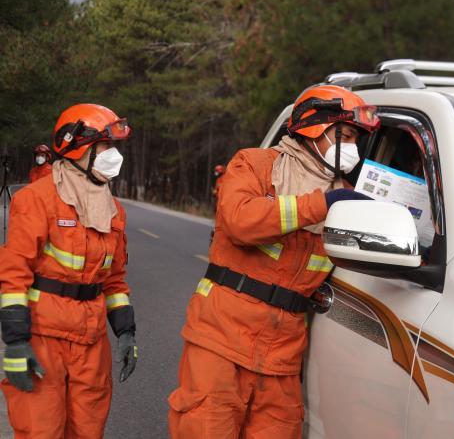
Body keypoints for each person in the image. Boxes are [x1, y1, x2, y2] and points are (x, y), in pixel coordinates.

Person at [168, 85, 380, 438]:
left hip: (283, 353)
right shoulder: (255, 165)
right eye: (344, 135)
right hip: (221, 339)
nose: (352, 147)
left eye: (357, 138)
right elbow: (239, 221)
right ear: (314, 127)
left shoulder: (347, 198)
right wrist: (322, 204)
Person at [0, 103, 138, 438]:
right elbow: (14, 273)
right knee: (41, 430)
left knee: (88, 431)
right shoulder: (37, 199)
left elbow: (115, 281)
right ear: (77, 146)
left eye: (114, 148)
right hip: (44, 338)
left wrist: (125, 331)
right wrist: (16, 342)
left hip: (91, 343)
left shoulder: (113, 210)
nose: (113, 156)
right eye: (106, 147)